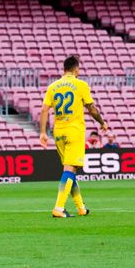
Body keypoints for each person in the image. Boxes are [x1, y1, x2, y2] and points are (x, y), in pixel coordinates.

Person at [39, 55, 108, 219]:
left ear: (64, 69)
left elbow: (44, 110)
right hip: (74, 130)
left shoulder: (53, 87)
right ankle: (59, 207)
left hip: (58, 132)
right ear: (77, 69)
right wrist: (102, 123)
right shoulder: (81, 85)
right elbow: (91, 109)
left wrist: (42, 132)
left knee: (70, 169)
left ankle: (80, 207)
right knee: (70, 169)